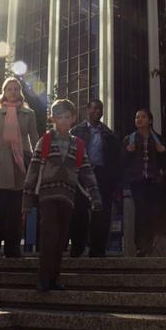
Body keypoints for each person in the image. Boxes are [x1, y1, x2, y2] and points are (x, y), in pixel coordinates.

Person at [23, 99, 102, 291]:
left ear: (73, 118)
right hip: (47, 195)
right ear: (53, 118)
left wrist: (95, 195)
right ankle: (43, 277)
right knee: (50, 234)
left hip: (68, 196)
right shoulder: (45, 140)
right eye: (59, 116)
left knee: (62, 238)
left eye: (67, 116)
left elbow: (86, 172)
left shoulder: (79, 145)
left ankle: (55, 277)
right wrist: (26, 199)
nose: (64, 120)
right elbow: (33, 169)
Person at [0, 77, 39, 258]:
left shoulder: (28, 113)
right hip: (1, 163)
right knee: (1, 208)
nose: (13, 92)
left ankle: (12, 247)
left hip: (20, 162)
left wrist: (38, 160)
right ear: (4, 92)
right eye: (9, 89)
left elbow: (34, 137)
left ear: (20, 92)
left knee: (16, 210)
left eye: (16, 89)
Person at [69, 99, 121, 257]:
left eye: (100, 109)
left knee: (102, 213)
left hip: (102, 175)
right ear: (87, 109)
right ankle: (77, 247)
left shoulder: (108, 134)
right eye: (94, 108)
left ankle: (98, 249)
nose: (97, 111)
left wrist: (114, 182)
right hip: (81, 175)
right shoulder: (76, 132)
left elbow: (115, 160)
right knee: (79, 211)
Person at [122, 108, 166, 257]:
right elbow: (122, 161)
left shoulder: (158, 138)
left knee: (151, 211)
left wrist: (163, 152)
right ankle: (141, 245)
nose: (139, 119)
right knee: (141, 210)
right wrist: (128, 151)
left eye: (142, 117)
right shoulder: (129, 138)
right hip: (137, 180)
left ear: (150, 120)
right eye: (137, 117)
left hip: (153, 180)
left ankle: (148, 244)